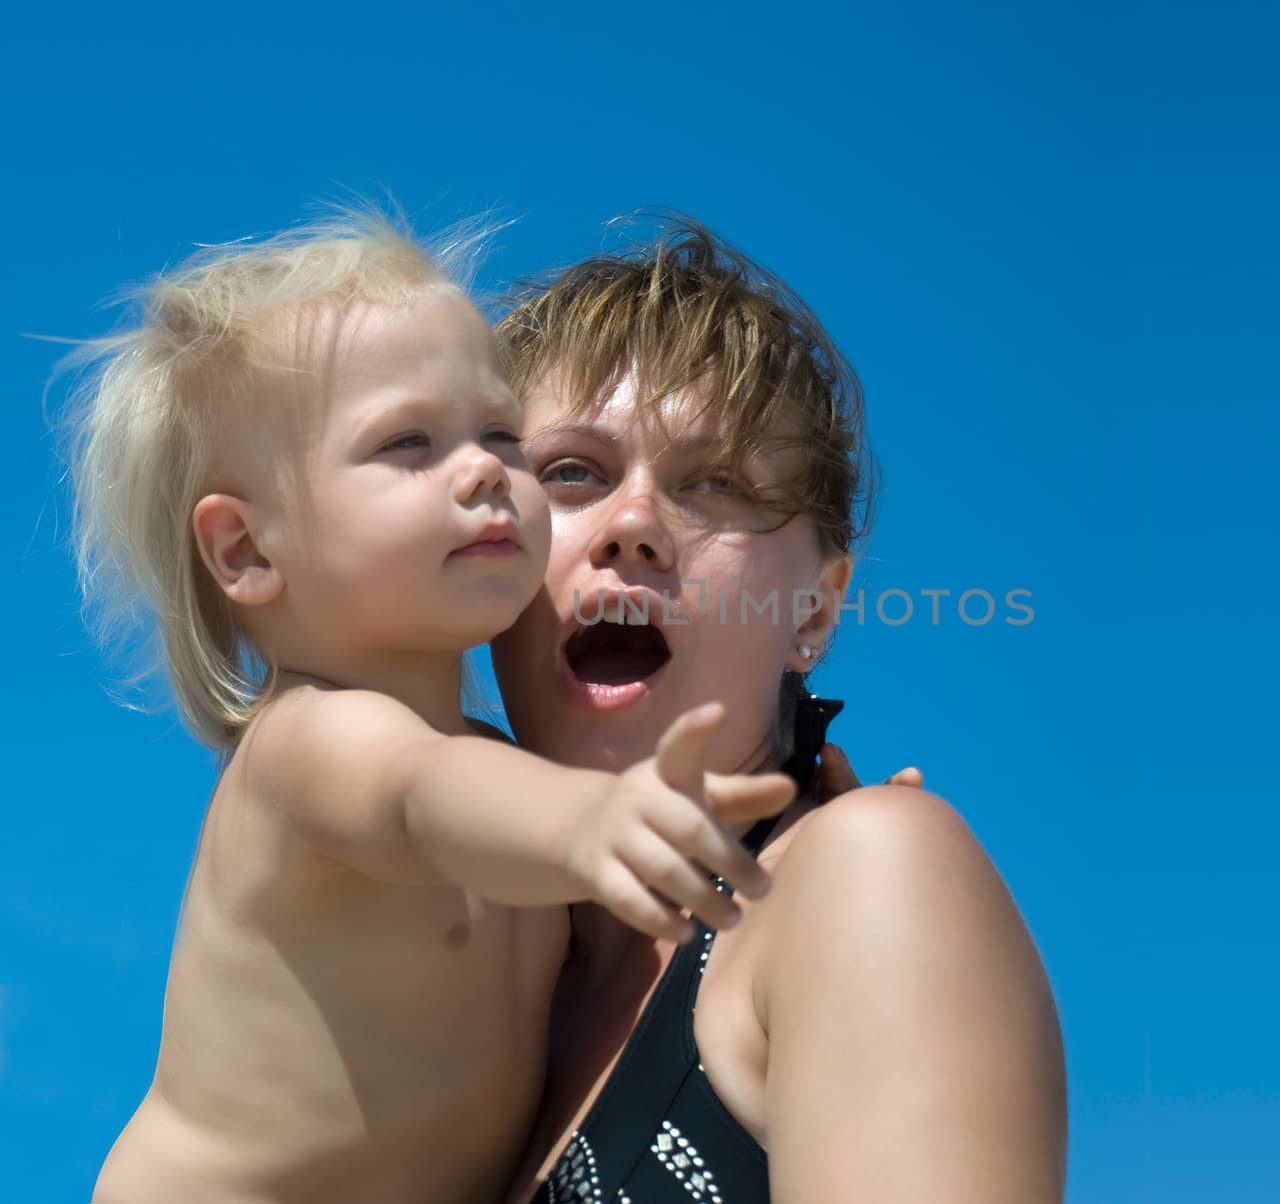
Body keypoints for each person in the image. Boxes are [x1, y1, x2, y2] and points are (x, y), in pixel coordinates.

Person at [68, 214, 798, 1204]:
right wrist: (593, 817)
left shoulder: (494, 776)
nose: (486, 469)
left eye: (503, 434)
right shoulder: (310, 745)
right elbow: (418, 794)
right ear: (246, 550)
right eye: (408, 443)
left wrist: (802, 810)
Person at [492, 221, 1069, 1203]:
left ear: (815, 609)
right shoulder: (474, 989)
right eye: (572, 472)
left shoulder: (863, 874)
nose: (632, 527)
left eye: (713, 483)